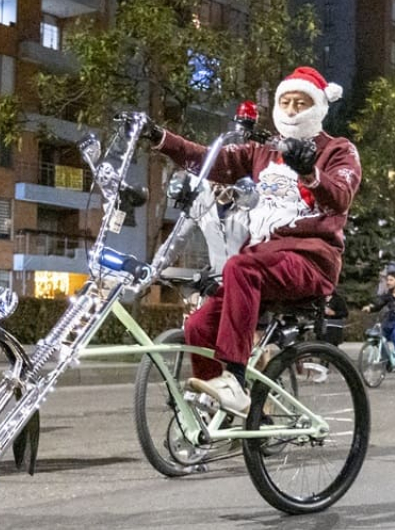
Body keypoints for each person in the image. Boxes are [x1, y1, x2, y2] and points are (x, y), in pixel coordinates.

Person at [141, 66, 360, 415]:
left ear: (318, 107)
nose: (291, 110)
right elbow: (207, 160)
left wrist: (309, 171)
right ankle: (218, 407)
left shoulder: (337, 150)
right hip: (265, 260)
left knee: (241, 267)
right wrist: (159, 137)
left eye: (300, 102)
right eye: (285, 101)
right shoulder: (263, 151)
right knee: (198, 325)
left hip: (310, 260)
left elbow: (340, 197)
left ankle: (236, 379)